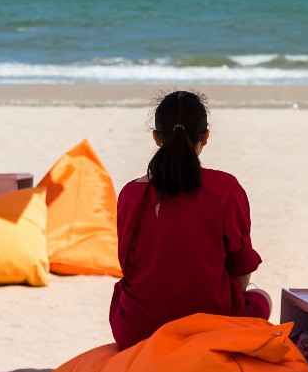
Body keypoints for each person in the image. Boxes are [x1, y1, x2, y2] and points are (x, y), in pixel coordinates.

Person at [109, 90, 269, 350]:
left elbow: (130, 266)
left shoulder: (130, 193)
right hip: (210, 324)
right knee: (261, 298)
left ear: (156, 138)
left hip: (136, 328)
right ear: (205, 136)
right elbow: (241, 269)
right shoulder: (225, 188)